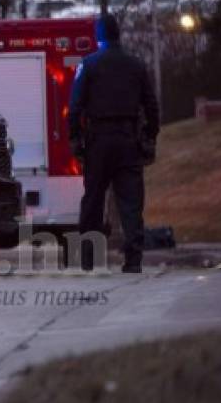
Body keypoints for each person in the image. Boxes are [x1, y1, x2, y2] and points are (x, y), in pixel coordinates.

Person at [68, 15, 159, 273]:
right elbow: (151, 105)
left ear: (99, 36)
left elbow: (75, 107)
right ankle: (133, 260)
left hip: (98, 141)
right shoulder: (136, 65)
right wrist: (150, 136)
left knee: (93, 200)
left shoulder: (89, 65)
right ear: (119, 34)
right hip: (128, 140)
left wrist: (75, 139)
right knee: (131, 203)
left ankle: (88, 258)